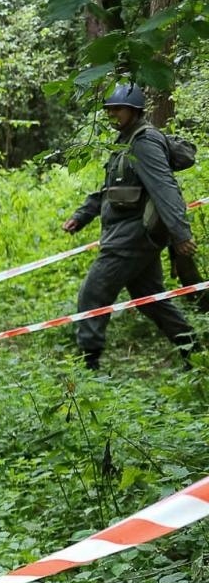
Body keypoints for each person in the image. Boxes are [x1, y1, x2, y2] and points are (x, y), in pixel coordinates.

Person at [62, 82, 197, 371]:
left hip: (131, 237)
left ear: (134, 110)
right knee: (149, 298)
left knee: (93, 292)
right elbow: (109, 190)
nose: (113, 115)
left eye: (118, 109)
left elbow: (165, 189)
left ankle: (89, 365)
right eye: (109, 110)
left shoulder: (144, 142)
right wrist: (83, 215)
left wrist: (181, 233)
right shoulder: (126, 141)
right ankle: (194, 351)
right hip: (129, 234)